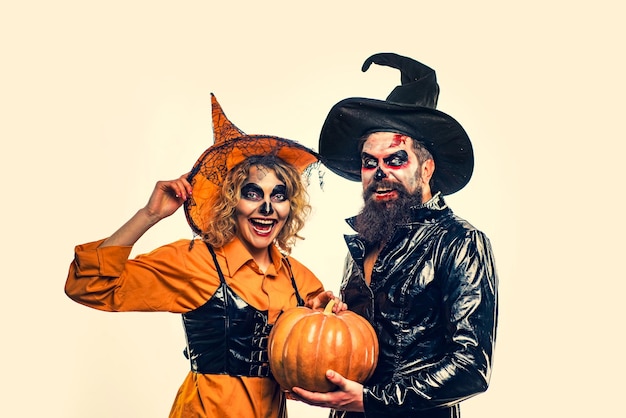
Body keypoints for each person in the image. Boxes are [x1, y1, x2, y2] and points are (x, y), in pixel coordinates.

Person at [65, 94, 344, 418]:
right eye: (252, 194)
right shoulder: (195, 260)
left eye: (278, 196)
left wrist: (325, 318)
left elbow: (308, 379)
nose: (267, 209)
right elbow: (88, 285)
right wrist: (148, 215)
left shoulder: (301, 281)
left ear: (289, 206)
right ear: (230, 201)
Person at [291, 53, 499, 418]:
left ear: (427, 167)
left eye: (395, 159)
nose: (379, 171)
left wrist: (373, 401)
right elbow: (359, 347)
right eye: (370, 162)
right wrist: (331, 317)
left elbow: (471, 368)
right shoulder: (365, 241)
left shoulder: (460, 242)